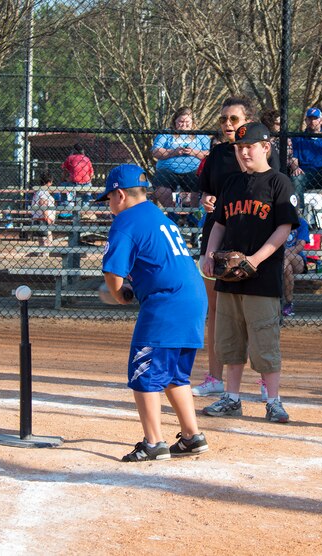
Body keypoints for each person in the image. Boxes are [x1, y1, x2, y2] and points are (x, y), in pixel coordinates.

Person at [98, 164, 209, 462]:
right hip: (194, 298)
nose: (109, 205)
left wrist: (119, 295)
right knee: (174, 374)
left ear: (120, 194)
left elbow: (112, 272)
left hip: (167, 304)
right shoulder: (159, 216)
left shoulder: (126, 220)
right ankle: (191, 437)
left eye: (109, 198)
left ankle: (154, 442)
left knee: (144, 372)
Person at [201, 122, 299, 424]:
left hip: (262, 279)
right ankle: (231, 398)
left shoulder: (278, 183)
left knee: (264, 341)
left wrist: (256, 259)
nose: (244, 152)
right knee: (230, 342)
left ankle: (273, 401)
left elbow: (283, 228)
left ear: (265, 147)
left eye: (250, 147)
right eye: (240, 148)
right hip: (229, 278)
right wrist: (208, 254)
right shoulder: (231, 183)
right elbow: (219, 224)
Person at [192, 95, 279, 398]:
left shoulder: (264, 151)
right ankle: (215, 377)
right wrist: (206, 200)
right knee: (217, 311)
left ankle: (264, 380)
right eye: (223, 119)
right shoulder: (216, 155)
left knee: (255, 314)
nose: (227, 125)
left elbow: (272, 192)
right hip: (218, 236)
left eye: (234, 119)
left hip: (251, 240)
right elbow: (206, 194)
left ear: (249, 122)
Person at [150, 107, 210, 209]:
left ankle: (192, 214)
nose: (184, 124)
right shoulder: (166, 134)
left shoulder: (201, 136)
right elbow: (155, 151)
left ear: (193, 122)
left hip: (193, 170)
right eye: (180, 121)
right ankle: (172, 212)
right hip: (168, 170)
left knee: (197, 182)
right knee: (161, 183)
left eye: (187, 122)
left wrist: (194, 153)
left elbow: (210, 154)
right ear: (175, 121)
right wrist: (174, 152)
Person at [289, 107, 322, 204]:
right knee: (296, 177)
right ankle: (299, 211)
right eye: (310, 118)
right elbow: (293, 158)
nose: (312, 121)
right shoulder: (298, 138)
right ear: (306, 120)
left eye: (315, 118)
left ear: (321, 121)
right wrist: (295, 167)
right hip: (306, 174)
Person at [282, 216, 310, 316]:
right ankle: (289, 303)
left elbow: (300, 246)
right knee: (287, 268)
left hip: (298, 260)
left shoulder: (301, 222)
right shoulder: (279, 221)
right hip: (284, 261)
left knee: (286, 259)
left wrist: (284, 253)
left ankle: (277, 299)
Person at [30, 172, 56, 249]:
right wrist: (47, 217)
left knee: (42, 241)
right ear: (49, 182)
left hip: (39, 218)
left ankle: (42, 255)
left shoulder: (39, 191)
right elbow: (43, 203)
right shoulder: (43, 191)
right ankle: (45, 255)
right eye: (51, 182)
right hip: (43, 219)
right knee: (47, 240)